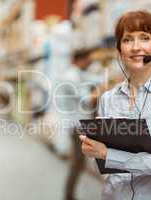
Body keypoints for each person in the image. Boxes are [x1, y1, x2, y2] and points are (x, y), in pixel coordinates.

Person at [79, 10, 151, 200]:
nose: (136, 47)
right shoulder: (107, 99)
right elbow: (105, 165)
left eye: (145, 38)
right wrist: (94, 149)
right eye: (128, 40)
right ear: (119, 49)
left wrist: (109, 154)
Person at [55, 48, 103, 200]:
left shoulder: (78, 73)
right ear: (79, 60)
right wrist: (103, 92)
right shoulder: (71, 76)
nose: (89, 63)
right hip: (76, 125)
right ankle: (68, 195)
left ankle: (69, 195)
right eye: (88, 60)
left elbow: (94, 78)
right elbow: (87, 99)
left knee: (79, 161)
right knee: (77, 162)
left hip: (80, 124)